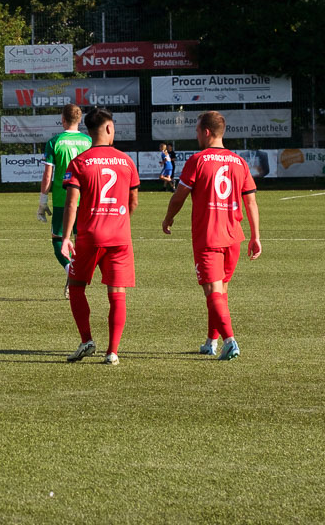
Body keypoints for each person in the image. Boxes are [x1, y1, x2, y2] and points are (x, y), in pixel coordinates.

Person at [162, 111, 261, 361]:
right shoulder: (239, 162)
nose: (196, 136)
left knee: (212, 291)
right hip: (233, 236)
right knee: (220, 292)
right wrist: (255, 236)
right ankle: (211, 341)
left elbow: (180, 195)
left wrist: (169, 217)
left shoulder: (198, 160)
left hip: (209, 238)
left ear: (207, 132)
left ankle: (230, 341)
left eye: (197, 131)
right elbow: (251, 202)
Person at [60, 108, 140, 366]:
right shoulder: (126, 161)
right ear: (107, 128)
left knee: (76, 286)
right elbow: (133, 202)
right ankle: (113, 352)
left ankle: (86, 340)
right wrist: (117, 216)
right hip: (119, 236)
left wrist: (65, 237)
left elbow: (72, 203)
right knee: (117, 293)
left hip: (89, 235)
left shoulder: (80, 162)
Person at [38, 104, 92, 298]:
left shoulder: (55, 142)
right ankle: (75, 281)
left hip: (63, 199)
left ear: (62, 119)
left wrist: (43, 201)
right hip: (86, 199)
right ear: (79, 120)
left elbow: (47, 175)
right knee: (80, 242)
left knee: (58, 241)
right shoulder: (88, 141)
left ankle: (72, 272)